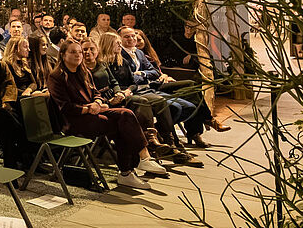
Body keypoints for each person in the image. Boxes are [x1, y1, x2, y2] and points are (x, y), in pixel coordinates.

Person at [48, 39, 160, 192]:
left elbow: (96, 93)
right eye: (73, 52)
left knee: (126, 114)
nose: (78, 55)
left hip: (94, 111)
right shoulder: (56, 76)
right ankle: (127, 172)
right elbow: (65, 107)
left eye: (79, 52)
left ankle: (143, 158)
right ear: (62, 55)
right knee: (121, 126)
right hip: (74, 121)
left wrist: (98, 102)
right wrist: (90, 109)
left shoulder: (84, 71)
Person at [89, 36, 189, 165]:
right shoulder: (103, 64)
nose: (120, 46)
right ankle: (150, 141)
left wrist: (127, 90)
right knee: (142, 102)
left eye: (120, 43)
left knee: (160, 102)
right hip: (117, 96)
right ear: (108, 45)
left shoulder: (123, 61)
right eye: (117, 43)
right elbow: (111, 84)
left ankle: (169, 142)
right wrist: (118, 93)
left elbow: (133, 83)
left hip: (127, 92)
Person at [120, 28, 213, 148]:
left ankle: (169, 130)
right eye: (127, 37)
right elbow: (130, 79)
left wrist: (143, 74)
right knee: (176, 106)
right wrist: (146, 76)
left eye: (135, 37)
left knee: (191, 96)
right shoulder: (119, 55)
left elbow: (154, 71)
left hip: (152, 85)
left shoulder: (140, 53)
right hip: (140, 90)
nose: (133, 40)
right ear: (119, 39)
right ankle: (172, 141)